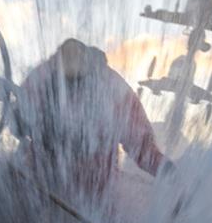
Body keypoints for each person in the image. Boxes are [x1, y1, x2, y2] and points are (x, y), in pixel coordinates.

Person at [19, 38, 172, 200]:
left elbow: (141, 146)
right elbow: (19, 118)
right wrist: (20, 121)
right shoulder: (42, 77)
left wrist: (167, 171)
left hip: (97, 193)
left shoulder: (113, 87)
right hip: (40, 180)